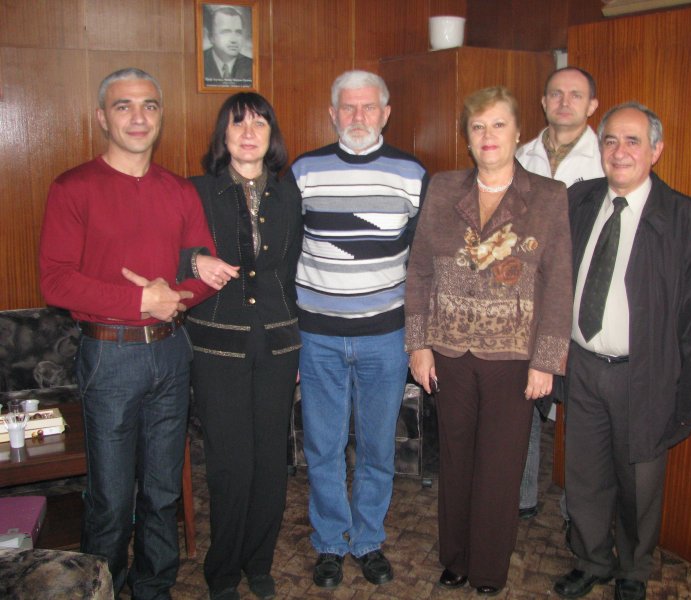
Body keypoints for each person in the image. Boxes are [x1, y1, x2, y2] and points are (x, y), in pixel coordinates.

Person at [39, 67, 217, 598]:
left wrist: (174, 297)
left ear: (160, 117)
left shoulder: (179, 190)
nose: (138, 117)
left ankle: (154, 587)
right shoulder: (73, 187)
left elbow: (203, 271)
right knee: (111, 499)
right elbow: (55, 281)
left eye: (149, 106)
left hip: (171, 353)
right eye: (124, 106)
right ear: (102, 118)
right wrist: (141, 300)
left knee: (162, 492)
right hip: (109, 355)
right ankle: (103, 588)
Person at [553, 103, 691, 600]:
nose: (620, 151)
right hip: (583, 365)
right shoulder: (577, 201)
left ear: (656, 150)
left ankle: (633, 568)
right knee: (584, 476)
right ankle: (591, 559)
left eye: (633, 141)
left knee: (640, 484)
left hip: (645, 376)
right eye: (610, 140)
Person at [405, 86, 573, 596]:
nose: (488, 135)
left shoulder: (547, 196)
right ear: (467, 137)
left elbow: (558, 284)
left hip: (514, 358)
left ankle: (488, 569)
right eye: (478, 127)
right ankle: (455, 558)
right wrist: (419, 345)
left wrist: (546, 361)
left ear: (519, 133)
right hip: (450, 352)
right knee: (456, 459)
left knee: (500, 466)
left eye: (499, 124)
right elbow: (419, 271)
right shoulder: (443, 188)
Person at [289, 70, 428, 590]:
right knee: (322, 446)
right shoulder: (304, 171)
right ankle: (330, 540)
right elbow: (285, 254)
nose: (358, 117)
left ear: (386, 113)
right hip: (317, 336)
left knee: (377, 447)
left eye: (369, 107)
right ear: (332, 114)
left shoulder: (412, 174)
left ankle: (367, 539)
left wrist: (420, 338)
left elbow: (424, 266)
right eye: (348, 107)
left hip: (385, 337)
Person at [184, 93, 302, 600]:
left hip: (278, 344)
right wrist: (193, 262)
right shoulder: (195, 191)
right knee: (230, 464)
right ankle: (224, 572)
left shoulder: (289, 194)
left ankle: (259, 562)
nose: (249, 133)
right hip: (217, 347)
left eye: (259, 123)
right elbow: (167, 250)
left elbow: (291, 273)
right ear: (223, 135)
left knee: (272, 461)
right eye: (238, 124)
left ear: (272, 135)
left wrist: (296, 341)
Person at [515, 66, 604, 522]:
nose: (564, 102)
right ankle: (523, 497)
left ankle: (578, 516)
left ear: (592, 106)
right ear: (543, 102)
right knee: (524, 399)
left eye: (575, 95)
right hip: (527, 298)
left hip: (586, 297)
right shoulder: (520, 155)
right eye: (555, 94)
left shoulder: (606, 159)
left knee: (582, 411)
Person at [203, 6, 253, 87]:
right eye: (226, 32)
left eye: (238, 32)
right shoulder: (199, 62)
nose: (233, 40)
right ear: (211, 37)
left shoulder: (252, 66)